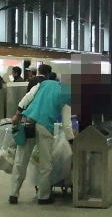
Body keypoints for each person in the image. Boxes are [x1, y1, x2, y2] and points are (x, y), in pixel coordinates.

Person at [9, 77, 73, 205]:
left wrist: (17, 115)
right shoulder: (68, 95)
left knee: (20, 160)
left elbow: (27, 97)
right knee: (45, 164)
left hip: (28, 122)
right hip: (45, 127)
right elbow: (66, 125)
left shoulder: (45, 83)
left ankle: (13, 194)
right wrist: (72, 141)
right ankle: (43, 197)